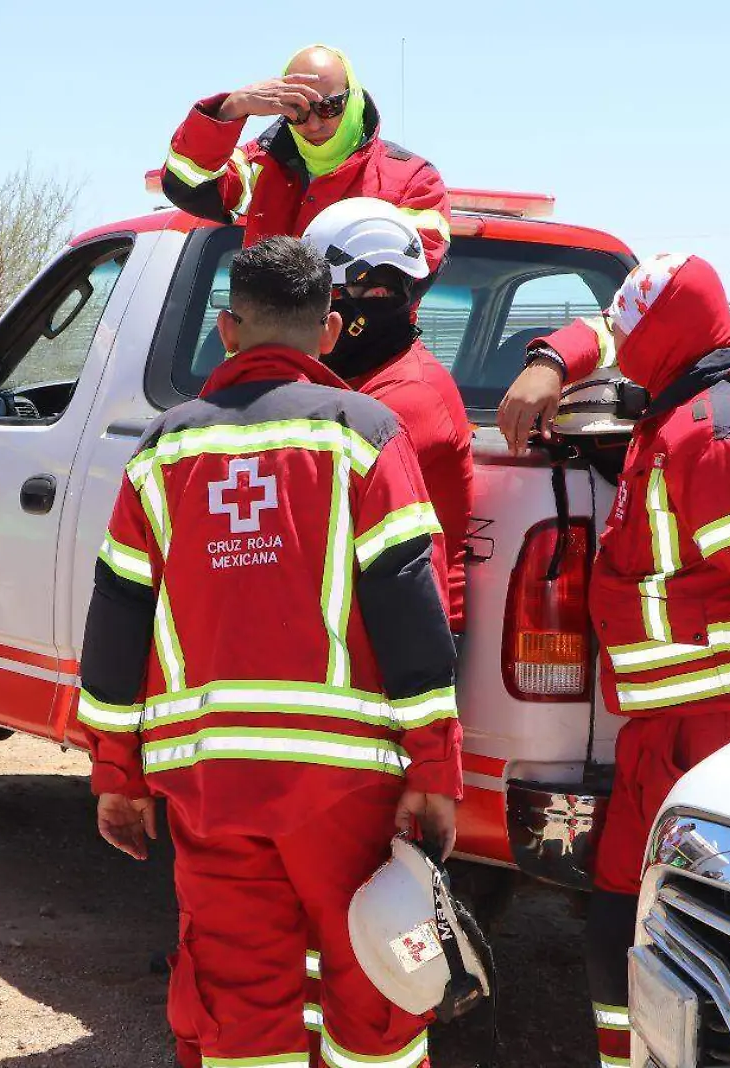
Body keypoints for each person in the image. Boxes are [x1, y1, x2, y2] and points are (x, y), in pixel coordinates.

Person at [78, 236, 461, 1068]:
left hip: (209, 782)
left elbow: (117, 615)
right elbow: (411, 605)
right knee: (378, 995)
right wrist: (435, 770)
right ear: (328, 331)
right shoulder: (365, 435)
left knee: (240, 1012)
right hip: (348, 783)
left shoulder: (163, 450)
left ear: (226, 330)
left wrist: (116, 770)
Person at [495, 253, 730, 1061]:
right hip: (668, 727)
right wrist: (552, 362)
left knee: (698, 924)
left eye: (627, 331)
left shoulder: (713, 436)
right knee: (626, 909)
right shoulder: (688, 402)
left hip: (727, 723)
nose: (615, 343)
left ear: (662, 336)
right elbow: (607, 326)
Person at [302, 198, 474, 638]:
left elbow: (314, 494)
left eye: (321, 297)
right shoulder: (359, 376)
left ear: (377, 295)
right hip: (361, 610)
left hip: (404, 630)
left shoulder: (409, 395)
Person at [161, 45, 451, 282]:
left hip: (367, 350)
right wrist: (231, 109)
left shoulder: (413, 180)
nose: (312, 124)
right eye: (296, 110)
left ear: (354, 99)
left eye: (328, 107)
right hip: (266, 349)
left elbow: (406, 280)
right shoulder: (259, 164)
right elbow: (187, 184)